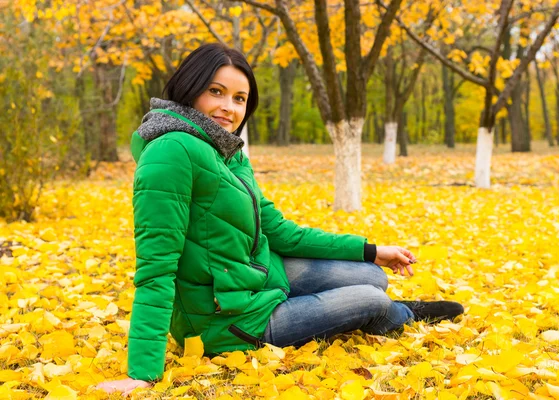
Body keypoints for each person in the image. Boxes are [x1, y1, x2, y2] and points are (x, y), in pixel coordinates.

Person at [96, 43, 463, 395]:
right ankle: (399, 315)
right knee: (371, 298)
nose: (229, 108)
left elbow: (279, 232)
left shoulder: (223, 150)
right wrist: (141, 373)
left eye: (239, 99)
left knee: (372, 274)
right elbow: (156, 266)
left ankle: (375, 303)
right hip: (227, 321)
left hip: (257, 279)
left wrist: (369, 250)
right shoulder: (172, 152)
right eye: (216, 91)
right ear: (190, 88)